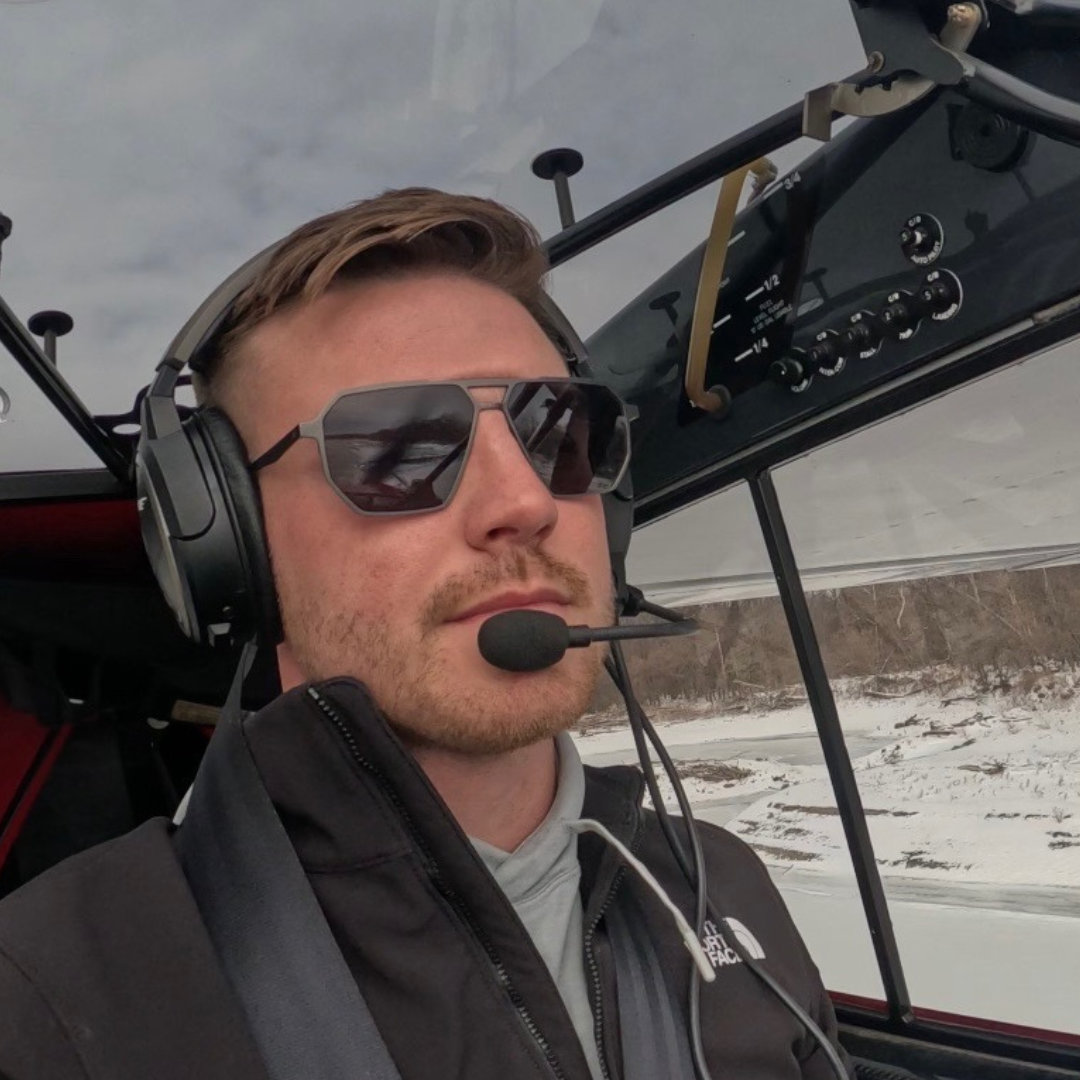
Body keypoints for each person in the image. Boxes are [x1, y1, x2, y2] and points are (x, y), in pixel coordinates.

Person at [0, 188, 851, 1079]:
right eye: (402, 451)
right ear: (231, 549)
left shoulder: (719, 885)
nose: (525, 503)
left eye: (559, 436)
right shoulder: (53, 998)